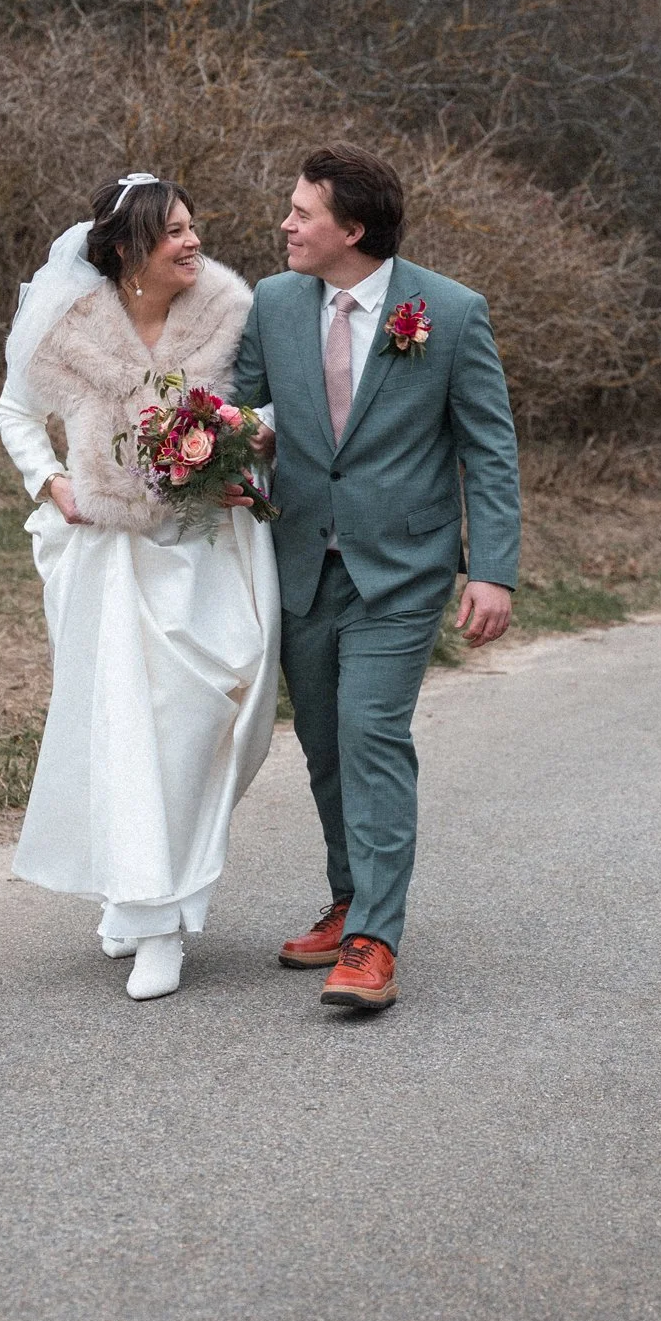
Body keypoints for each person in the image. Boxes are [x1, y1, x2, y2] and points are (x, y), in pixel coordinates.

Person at [231, 146, 521, 1013]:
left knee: (369, 737)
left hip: (401, 570)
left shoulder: (452, 313)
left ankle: (374, 942)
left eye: (301, 212)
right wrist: (212, 460)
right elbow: (246, 417)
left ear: (350, 230)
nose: (284, 224)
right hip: (298, 565)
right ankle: (348, 894)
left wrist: (491, 570)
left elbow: (488, 449)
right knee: (323, 747)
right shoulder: (274, 303)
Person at [0, 174, 280, 1001]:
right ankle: (154, 916)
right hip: (110, 557)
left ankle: (150, 887)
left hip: (207, 549)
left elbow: (268, 408)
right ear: (127, 250)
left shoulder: (231, 310)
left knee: (204, 717)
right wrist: (52, 483)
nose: (193, 243)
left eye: (194, 227)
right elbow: (13, 412)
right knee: (126, 725)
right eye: (174, 233)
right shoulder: (68, 326)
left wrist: (243, 445)